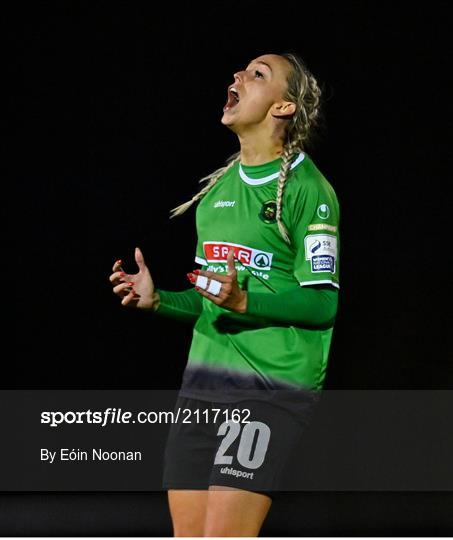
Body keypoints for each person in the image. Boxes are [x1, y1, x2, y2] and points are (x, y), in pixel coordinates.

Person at [109, 52, 340, 537]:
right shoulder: (216, 194)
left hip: (269, 392)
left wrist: (245, 303)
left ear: (282, 107)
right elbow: (214, 297)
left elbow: (323, 304)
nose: (237, 76)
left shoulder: (308, 189)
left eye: (258, 74)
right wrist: (160, 301)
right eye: (241, 70)